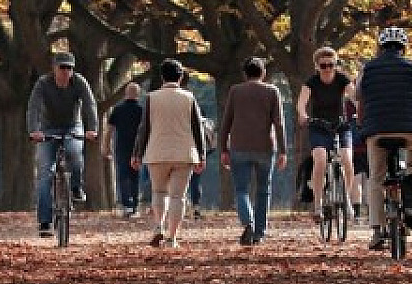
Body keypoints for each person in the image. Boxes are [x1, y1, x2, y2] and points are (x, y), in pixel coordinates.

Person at [355, 26, 412, 251]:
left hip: (376, 129)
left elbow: (358, 96)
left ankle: (377, 230)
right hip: (410, 129)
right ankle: (411, 195)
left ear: (381, 47)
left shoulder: (367, 69)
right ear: (403, 48)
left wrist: (362, 123)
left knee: (376, 179)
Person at [130, 59, 207, 247]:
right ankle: (172, 238)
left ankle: (158, 227)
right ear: (180, 77)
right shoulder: (189, 98)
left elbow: (144, 128)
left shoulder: (151, 98)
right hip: (184, 153)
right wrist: (202, 154)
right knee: (177, 196)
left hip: (157, 152)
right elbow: (198, 128)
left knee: (159, 191)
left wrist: (137, 153)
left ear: (162, 77)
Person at [26, 51, 98, 238]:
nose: (66, 71)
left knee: (75, 153)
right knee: (45, 174)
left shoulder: (80, 82)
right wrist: (34, 130)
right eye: (62, 67)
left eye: (69, 68)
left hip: (73, 126)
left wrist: (92, 129)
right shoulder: (43, 83)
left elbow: (90, 105)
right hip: (48, 128)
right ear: (54, 68)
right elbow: (33, 106)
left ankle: (75, 187)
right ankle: (44, 221)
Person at [218, 57, 287, 246]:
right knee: (264, 190)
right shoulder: (272, 91)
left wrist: (223, 148)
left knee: (241, 190)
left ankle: (248, 221)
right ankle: (259, 232)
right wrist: (283, 150)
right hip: (265, 147)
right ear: (263, 72)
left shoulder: (235, 91)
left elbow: (226, 122)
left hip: (239, 146)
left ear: (245, 73)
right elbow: (279, 123)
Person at [297, 47, 356, 223]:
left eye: (331, 64)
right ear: (317, 66)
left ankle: (347, 199)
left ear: (336, 64)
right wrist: (303, 114)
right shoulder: (311, 82)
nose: (328, 69)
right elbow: (301, 102)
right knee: (321, 159)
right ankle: (317, 204)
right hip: (318, 126)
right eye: (323, 65)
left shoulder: (342, 79)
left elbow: (353, 95)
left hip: (341, 125)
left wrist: (360, 109)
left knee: (347, 159)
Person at [102, 83, 144, 219]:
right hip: (138, 148)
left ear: (125, 94)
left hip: (121, 147)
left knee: (123, 176)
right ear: (138, 94)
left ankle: (127, 205)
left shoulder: (118, 109)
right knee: (135, 176)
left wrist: (106, 146)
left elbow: (109, 130)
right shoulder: (141, 110)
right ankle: (135, 206)